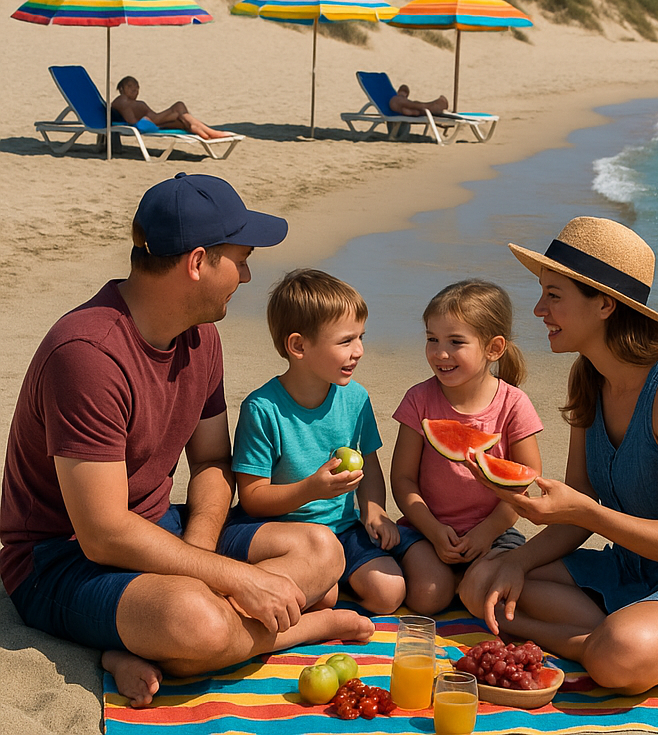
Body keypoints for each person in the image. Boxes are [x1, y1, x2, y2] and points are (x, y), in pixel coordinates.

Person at [0, 174, 373, 710]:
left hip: (159, 529)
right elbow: (102, 534)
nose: (246, 276)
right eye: (240, 259)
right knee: (194, 618)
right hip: (60, 561)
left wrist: (197, 554)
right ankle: (295, 629)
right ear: (197, 262)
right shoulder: (87, 354)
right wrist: (231, 579)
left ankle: (152, 641)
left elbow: (213, 461)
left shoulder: (201, 335)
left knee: (320, 548)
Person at [459, 218, 658, 694]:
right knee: (480, 583)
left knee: (618, 655)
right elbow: (577, 514)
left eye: (554, 295)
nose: (537, 309)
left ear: (605, 304)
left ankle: (591, 641)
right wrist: (518, 561)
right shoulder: (588, 377)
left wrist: (586, 512)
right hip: (639, 565)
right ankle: (596, 637)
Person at [232, 268, 418, 614]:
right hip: (279, 532)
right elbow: (253, 499)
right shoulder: (262, 409)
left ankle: (327, 589)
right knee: (324, 597)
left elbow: (370, 465)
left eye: (361, 337)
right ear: (298, 345)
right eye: (346, 341)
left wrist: (374, 511)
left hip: (342, 528)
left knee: (390, 592)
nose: (359, 351)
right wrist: (311, 489)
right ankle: (321, 596)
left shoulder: (355, 398)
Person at [390, 280, 543, 614]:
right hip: (424, 529)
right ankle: (450, 582)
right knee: (428, 596)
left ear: (494, 348)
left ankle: (466, 581)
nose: (440, 353)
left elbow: (524, 484)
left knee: (496, 595)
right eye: (432, 339)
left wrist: (486, 533)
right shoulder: (419, 399)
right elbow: (402, 479)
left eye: (456, 342)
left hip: (494, 533)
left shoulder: (513, 404)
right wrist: (432, 530)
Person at [111, 75, 233, 140]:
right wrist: (140, 124)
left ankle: (199, 128)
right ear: (121, 89)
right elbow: (132, 121)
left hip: (153, 121)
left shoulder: (129, 101)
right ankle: (212, 132)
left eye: (137, 86)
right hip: (147, 123)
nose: (134, 89)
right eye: (130, 86)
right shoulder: (122, 100)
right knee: (179, 106)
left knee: (181, 118)